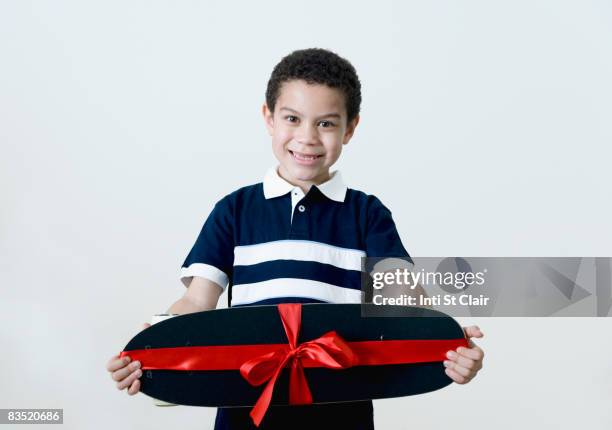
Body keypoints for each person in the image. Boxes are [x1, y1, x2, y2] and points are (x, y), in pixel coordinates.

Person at [106, 48, 484, 429]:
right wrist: (151, 347)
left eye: (326, 124)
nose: (307, 138)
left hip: (342, 406)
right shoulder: (234, 210)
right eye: (292, 118)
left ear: (350, 128)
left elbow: (403, 299)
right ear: (269, 118)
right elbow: (196, 301)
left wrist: (444, 338)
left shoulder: (368, 214)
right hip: (245, 405)